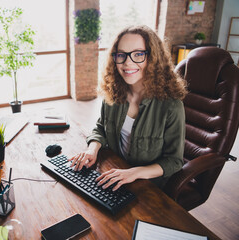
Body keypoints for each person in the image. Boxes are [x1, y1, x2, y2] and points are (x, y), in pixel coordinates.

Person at [69, 25, 187, 190]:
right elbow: (101, 128)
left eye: (138, 54)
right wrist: (92, 149)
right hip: (115, 171)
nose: (127, 63)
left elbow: (174, 161)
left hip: (148, 186)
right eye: (121, 55)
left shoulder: (171, 106)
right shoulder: (113, 94)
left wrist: (135, 172)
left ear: (153, 58)